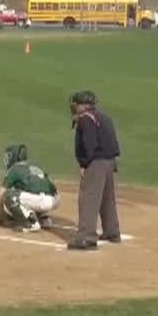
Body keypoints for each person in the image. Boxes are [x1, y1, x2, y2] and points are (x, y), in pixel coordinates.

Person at [69, 90, 121, 250]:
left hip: (96, 162)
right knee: (107, 198)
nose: (74, 106)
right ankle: (112, 232)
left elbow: (89, 145)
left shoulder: (86, 119)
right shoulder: (103, 117)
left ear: (82, 105)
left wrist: (84, 164)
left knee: (88, 198)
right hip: (110, 161)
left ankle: (86, 237)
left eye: (76, 104)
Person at [0, 143, 60, 232]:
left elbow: (0, 195)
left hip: (41, 200)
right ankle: (44, 218)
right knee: (28, 189)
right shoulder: (35, 166)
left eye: (9, 156)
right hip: (55, 199)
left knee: (9, 196)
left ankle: (30, 223)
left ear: (15, 157)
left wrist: (1, 213)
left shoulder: (15, 169)